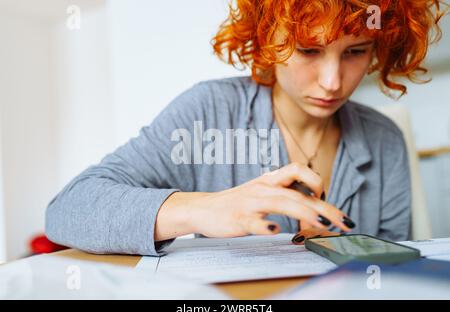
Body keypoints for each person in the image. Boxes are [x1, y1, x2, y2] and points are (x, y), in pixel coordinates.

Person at [45, 0, 445, 256]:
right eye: (308, 50)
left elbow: (393, 269)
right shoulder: (209, 112)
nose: (332, 81)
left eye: (355, 52)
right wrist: (202, 209)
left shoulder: (385, 139)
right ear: (267, 40)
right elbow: (68, 210)